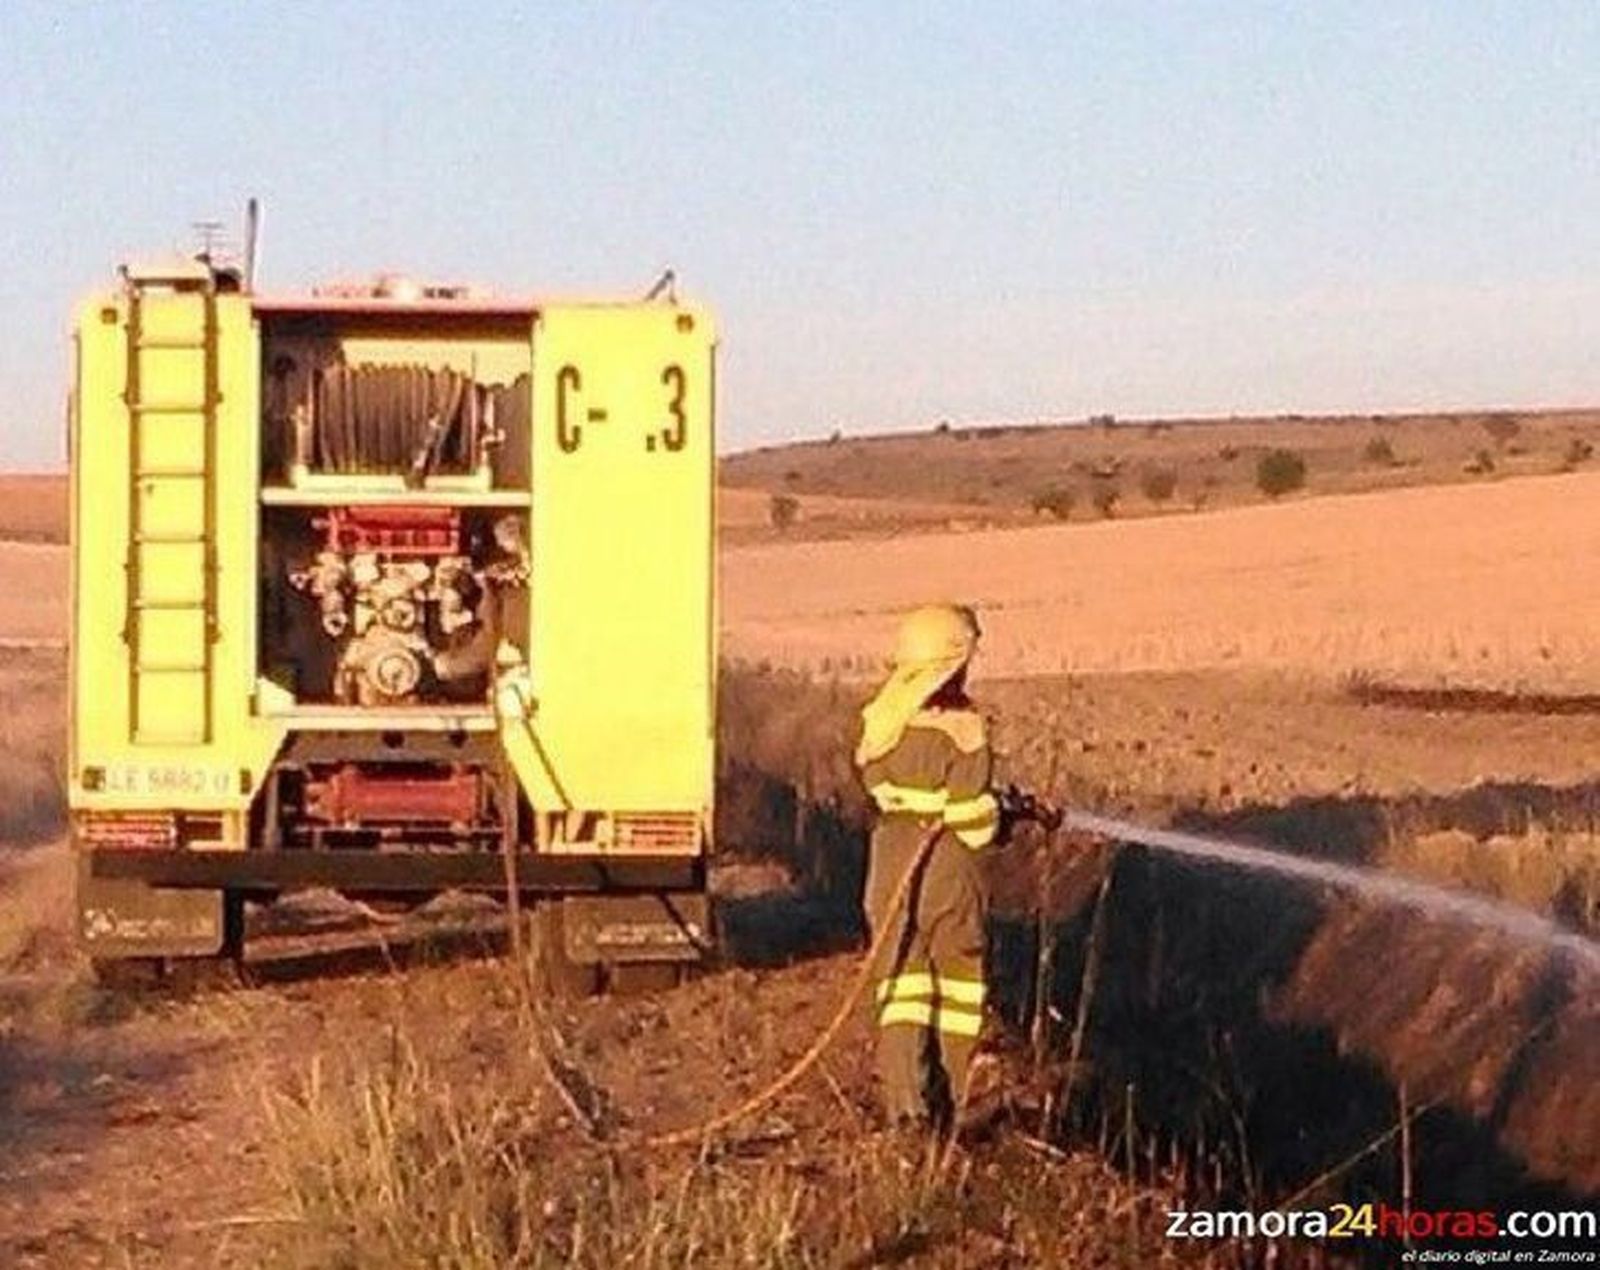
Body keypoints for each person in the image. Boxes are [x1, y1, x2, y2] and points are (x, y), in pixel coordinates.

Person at [855, 603, 1001, 1136]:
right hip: (947, 871)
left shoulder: (881, 721)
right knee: (959, 989)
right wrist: (1001, 814)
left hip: (890, 862)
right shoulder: (964, 728)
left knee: (901, 986)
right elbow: (972, 821)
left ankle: (906, 1110)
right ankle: (957, 1104)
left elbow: (882, 788)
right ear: (953, 662)